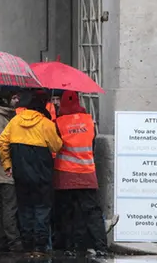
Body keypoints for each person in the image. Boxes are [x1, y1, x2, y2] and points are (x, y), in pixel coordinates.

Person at [0, 89, 62, 258]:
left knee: (25, 209)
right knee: (41, 209)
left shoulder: (15, 121)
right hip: (42, 174)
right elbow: (56, 146)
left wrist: (7, 164)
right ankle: (39, 247)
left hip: (20, 173)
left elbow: (2, 141)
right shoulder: (46, 124)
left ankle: (27, 245)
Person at [52, 91, 108, 257]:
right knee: (92, 212)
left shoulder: (58, 122)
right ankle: (101, 246)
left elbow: (55, 145)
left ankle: (69, 247)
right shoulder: (89, 121)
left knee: (66, 212)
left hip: (65, 174)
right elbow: (92, 143)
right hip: (87, 174)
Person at [0, 87, 21, 253]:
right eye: (14, 98)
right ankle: (12, 241)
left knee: (1, 209)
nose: (17, 101)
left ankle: (0, 240)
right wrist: (9, 165)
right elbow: (2, 144)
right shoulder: (0, 118)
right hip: (4, 172)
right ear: (5, 100)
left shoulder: (2, 116)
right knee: (8, 209)